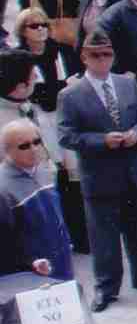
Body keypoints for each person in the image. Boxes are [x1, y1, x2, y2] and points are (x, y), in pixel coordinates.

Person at [56, 30, 137, 312]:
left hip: (131, 169)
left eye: (107, 54)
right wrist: (101, 140)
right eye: (95, 55)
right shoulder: (70, 94)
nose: (102, 60)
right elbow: (66, 135)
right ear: (84, 57)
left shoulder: (127, 83)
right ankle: (106, 287)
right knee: (103, 236)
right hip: (99, 174)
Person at [0, 119, 72, 280]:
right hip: (31, 274)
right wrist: (30, 262)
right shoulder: (3, 188)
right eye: (24, 146)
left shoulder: (44, 171)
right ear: (7, 150)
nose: (33, 149)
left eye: (36, 142)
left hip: (62, 262)